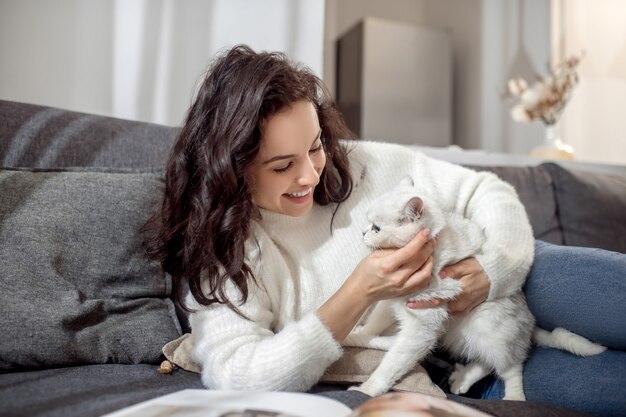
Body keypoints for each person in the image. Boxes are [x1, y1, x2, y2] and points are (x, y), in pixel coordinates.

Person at [145, 45, 626, 417]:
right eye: (282, 166)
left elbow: (485, 190)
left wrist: (493, 269)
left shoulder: (361, 165)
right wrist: (356, 293)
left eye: (314, 147)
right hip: (453, 349)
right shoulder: (228, 253)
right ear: (232, 168)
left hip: (510, 275)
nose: (311, 175)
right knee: (607, 388)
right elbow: (235, 375)